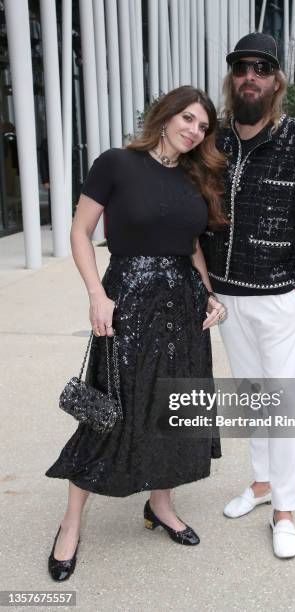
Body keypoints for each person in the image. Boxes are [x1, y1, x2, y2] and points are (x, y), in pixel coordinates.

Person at [45, 86, 228, 581]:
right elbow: (80, 231)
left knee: (174, 408)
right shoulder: (116, 164)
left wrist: (210, 297)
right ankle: (70, 525)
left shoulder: (195, 177)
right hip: (127, 299)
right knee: (110, 412)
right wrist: (95, 294)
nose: (194, 131)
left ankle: (160, 506)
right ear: (166, 116)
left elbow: (191, 248)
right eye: (188, 119)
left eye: (203, 127)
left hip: (183, 307)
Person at [200, 33, 295, 559]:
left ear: (276, 80)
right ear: (232, 79)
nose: (249, 77)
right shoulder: (214, 143)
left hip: (280, 297)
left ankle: (285, 510)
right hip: (226, 298)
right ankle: (260, 485)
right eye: (240, 68)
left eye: (260, 68)